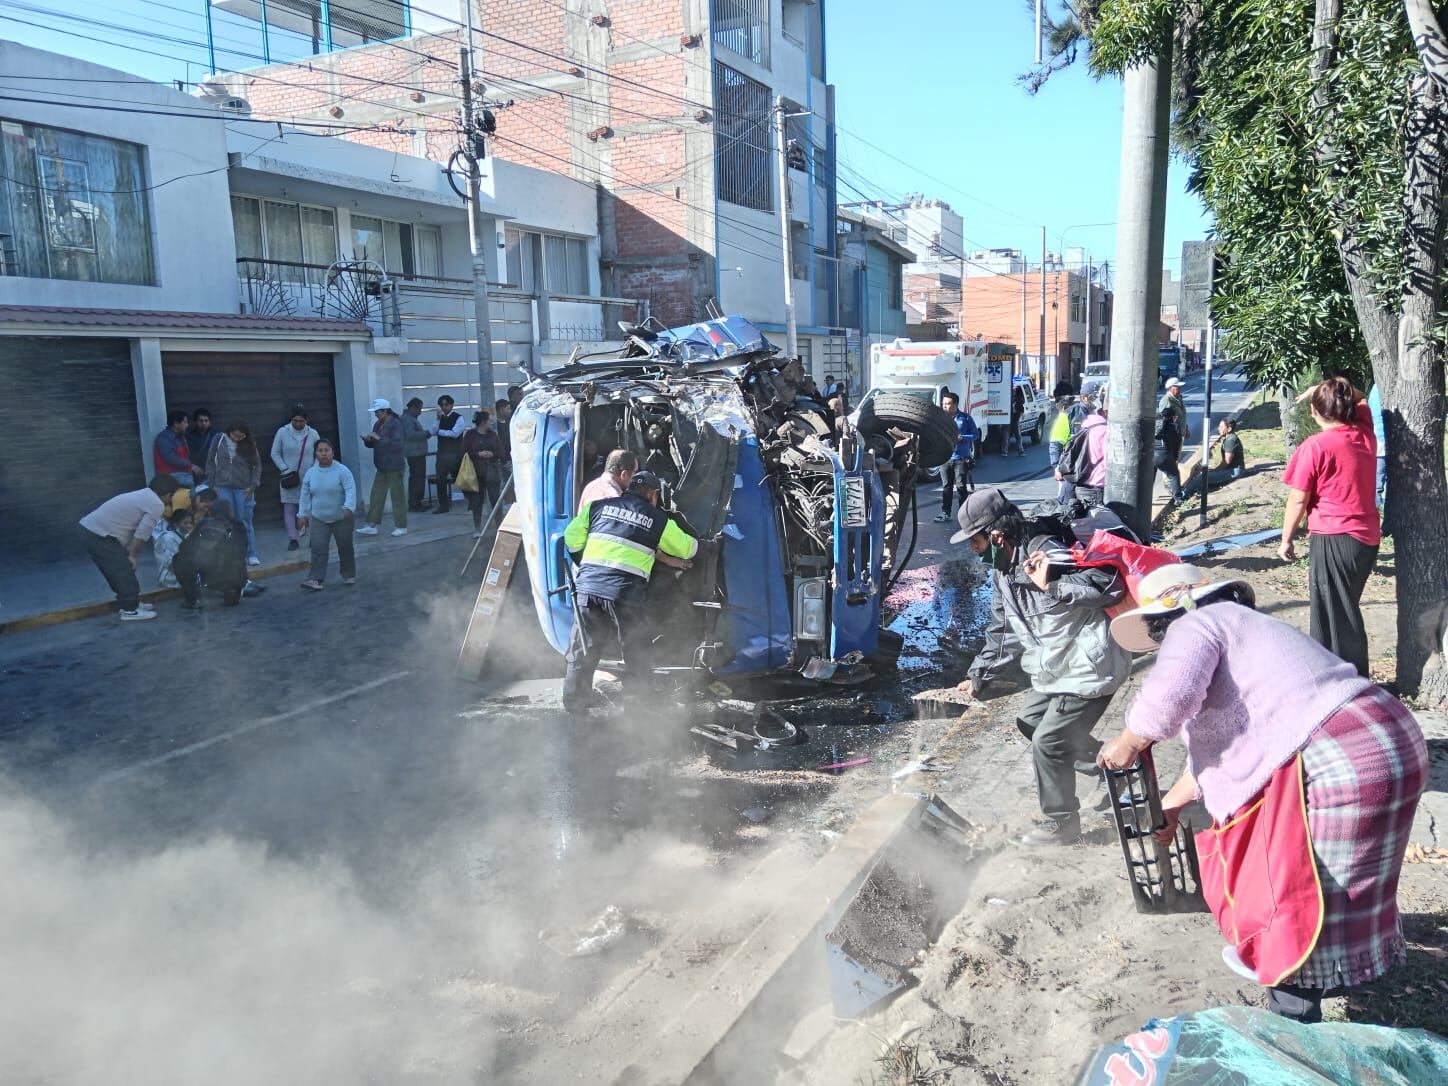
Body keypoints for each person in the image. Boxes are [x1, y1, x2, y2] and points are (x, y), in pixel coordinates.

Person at [1098, 564, 1427, 1023]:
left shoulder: (1196, 623)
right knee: (1343, 881)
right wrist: (1173, 802)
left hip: (1341, 754)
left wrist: (1129, 742)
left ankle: (1291, 1015)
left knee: (1295, 884)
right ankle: (1332, 975)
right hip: (1388, 734)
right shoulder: (1249, 631)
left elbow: (1166, 700)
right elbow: (1233, 743)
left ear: (1168, 615)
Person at [955, 488, 1130, 845]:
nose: (973, 552)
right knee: (1030, 721)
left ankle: (1062, 823)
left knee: (1049, 741)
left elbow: (1109, 586)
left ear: (996, 536)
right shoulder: (1003, 569)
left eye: (974, 543)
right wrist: (978, 675)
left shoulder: (1049, 551)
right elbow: (1002, 629)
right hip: (1058, 667)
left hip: (1090, 667)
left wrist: (1052, 584)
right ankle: (1114, 768)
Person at [561, 470, 699, 713]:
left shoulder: (597, 507)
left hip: (588, 588)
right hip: (624, 593)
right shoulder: (657, 519)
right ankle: (638, 707)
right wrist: (702, 543)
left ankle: (575, 704)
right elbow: (687, 549)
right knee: (636, 648)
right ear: (653, 494)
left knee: (584, 646)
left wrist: (586, 563)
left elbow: (571, 537)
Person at [1280, 377, 1380, 677]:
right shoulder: (1363, 433)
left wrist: (1286, 539)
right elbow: (1361, 398)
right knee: (1341, 607)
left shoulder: (1316, 446)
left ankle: (1345, 678)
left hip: (1334, 536)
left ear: (1314, 411)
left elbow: (1298, 500)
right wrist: (1330, 388)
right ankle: (1335, 673)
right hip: (1366, 538)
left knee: (1333, 611)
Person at [79, 475, 180, 620]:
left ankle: (131, 602)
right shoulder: (156, 504)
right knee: (122, 570)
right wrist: (132, 555)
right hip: (99, 534)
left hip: (93, 531)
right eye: (172, 496)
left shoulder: (145, 494)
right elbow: (142, 532)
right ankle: (129, 610)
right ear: (168, 494)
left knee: (119, 569)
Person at [297, 438, 357, 591]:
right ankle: (315, 579)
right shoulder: (311, 473)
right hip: (319, 518)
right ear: (316, 453)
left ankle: (348, 574)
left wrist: (348, 508)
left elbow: (350, 490)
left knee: (345, 546)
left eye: (326, 450)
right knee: (318, 548)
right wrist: (302, 515)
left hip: (341, 516)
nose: (323, 454)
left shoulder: (342, 471)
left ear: (332, 452)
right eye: (320, 451)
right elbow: (305, 495)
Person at [174, 488, 250, 608]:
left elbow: (184, 547)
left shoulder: (205, 524)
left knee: (179, 559)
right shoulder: (240, 526)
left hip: (211, 574)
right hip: (237, 576)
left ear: (211, 512)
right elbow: (243, 550)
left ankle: (192, 600)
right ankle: (231, 591)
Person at [207, 420, 262, 566]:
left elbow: (257, 466)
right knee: (226, 520)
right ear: (229, 432)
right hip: (222, 486)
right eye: (234, 435)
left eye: (240, 437)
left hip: (243, 487)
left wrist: (253, 485)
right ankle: (231, 554)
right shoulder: (218, 440)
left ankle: (251, 553)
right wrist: (212, 483)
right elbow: (211, 461)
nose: (237, 439)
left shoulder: (250, 445)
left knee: (244, 520)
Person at [270, 404, 319, 553]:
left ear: (306, 420)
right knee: (289, 507)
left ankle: (313, 538)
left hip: (309, 476)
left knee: (310, 508)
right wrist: (284, 468)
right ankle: (293, 538)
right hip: (289, 477)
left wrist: (314, 470)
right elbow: (274, 453)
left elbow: (319, 452)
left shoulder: (313, 434)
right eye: (295, 421)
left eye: (301, 421)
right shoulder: (282, 432)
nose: (298, 424)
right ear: (291, 420)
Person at [357, 398, 407, 537]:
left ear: (385, 411)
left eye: (377, 412)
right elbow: (375, 443)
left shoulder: (396, 424)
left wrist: (378, 438)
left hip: (395, 466)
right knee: (376, 496)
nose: (375, 415)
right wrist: (368, 441)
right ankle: (371, 525)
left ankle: (401, 526)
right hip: (382, 466)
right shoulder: (378, 424)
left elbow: (397, 445)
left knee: (397, 497)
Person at [934, 393, 979, 524]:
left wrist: (963, 438)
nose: (945, 406)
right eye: (943, 404)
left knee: (961, 487)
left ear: (955, 405)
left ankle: (963, 514)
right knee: (946, 487)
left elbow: (975, 435)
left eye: (947, 404)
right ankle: (945, 513)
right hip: (945, 458)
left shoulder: (965, 418)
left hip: (961, 458)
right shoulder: (940, 419)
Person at [459, 410, 505, 537]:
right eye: (489, 421)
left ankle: (499, 526)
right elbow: (463, 452)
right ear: (483, 422)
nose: (490, 423)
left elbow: (501, 452)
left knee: (496, 500)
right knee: (476, 502)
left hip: (492, 471)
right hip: (475, 472)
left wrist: (492, 454)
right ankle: (477, 528)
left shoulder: (493, 435)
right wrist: (478, 454)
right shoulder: (470, 435)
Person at [1058, 409, 1108, 506]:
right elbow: (1109, 462)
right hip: (1095, 486)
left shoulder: (1083, 429)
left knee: (1074, 517)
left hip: (1075, 482)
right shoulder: (1105, 432)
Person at [430, 394, 467, 514]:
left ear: (452, 405)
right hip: (442, 454)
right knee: (440, 480)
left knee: (459, 479)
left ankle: (472, 500)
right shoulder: (439, 418)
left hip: (455, 454)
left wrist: (439, 431)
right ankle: (443, 505)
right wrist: (437, 419)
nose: (444, 407)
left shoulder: (458, 418)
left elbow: (455, 433)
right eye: (441, 405)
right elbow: (432, 430)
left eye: (446, 404)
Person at [400, 397, 431, 513]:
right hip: (415, 453)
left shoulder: (409, 418)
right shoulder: (408, 419)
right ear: (413, 408)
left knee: (416, 478)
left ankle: (415, 502)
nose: (420, 412)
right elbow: (411, 435)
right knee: (418, 478)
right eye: (419, 409)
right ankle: (415, 503)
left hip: (416, 452)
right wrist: (427, 433)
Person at [153, 410, 199, 487]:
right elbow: (170, 458)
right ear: (176, 424)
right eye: (185, 422)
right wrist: (191, 465)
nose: (187, 425)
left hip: (184, 475)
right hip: (171, 477)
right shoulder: (164, 438)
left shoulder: (180, 437)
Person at [154, 508, 193, 589]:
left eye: (191, 523)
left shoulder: (187, 536)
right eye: (185, 523)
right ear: (176, 524)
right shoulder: (167, 538)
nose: (189, 526)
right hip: (169, 577)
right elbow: (172, 564)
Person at [1367, 383, 1387, 512]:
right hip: (1381, 441)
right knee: (1376, 486)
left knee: (1377, 484)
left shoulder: (1377, 387)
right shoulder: (1379, 388)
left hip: (1380, 441)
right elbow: (1377, 417)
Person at [187, 408, 219, 482]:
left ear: (210, 422)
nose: (203, 423)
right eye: (200, 421)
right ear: (195, 422)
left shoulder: (217, 435)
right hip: (195, 472)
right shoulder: (188, 436)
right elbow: (183, 455)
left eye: (206, 420)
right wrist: (191, 466)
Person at [1007, 381, 1026, 457]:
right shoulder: (1009, 398)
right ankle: (1005, 451)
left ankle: (1021, 450)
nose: (1013, 391)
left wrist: (1018, 418)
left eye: (1015, 390)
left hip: (1015, 418)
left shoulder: (1019, 399)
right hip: (1008, 418)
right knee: (1006, 435)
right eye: (1013, 389)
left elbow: (1021, 410)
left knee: (1018, 435)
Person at [494, 398, 514, 465]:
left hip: (511, 458)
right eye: (508, 408)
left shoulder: (510, 422)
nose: (510, 411)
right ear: (501, 410)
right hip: (500, 460)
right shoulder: (495, 426)